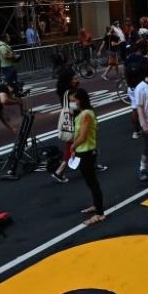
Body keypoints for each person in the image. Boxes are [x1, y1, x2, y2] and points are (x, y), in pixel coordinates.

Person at [67, 88, 105, 226]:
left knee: (93, 182)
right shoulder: (81, 114)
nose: (72, 103)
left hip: (87, 152)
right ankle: (96, 205)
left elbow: (82, 137)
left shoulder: (87, 114)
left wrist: (73, 146)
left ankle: (100, 213)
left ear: (81, 99)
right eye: (71, 101)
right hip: (81, 151)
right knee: (90, 181)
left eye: (74, 100)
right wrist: (74, 149)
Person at [49, 69, 81, 184]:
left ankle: (91, 165)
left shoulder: (65, 92)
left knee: (75, 147)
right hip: (74, 124)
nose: (78, 80)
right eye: (75, 79)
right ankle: (59, 172)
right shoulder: (71, 92)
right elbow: (75, 107)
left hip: (70, 124)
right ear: (69, 81)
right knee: (72, 148)